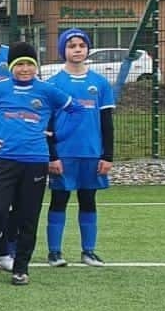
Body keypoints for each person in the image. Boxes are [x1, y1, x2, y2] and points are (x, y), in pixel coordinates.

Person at [0, 42, 79, 285]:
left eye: (29, 64)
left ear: (35, 67)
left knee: (28, 216)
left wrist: (57, 135)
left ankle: (21, 268)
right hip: (3, 160)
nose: (24, 69)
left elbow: (76, 111)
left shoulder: (47, 91)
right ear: (11, 67)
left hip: (35, 162)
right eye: (19, 64)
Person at [46, 28, 114, 268]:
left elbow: (107, 122)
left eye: (81, 46)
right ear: (63, 50)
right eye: (71, 45)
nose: (77, 50)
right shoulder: (54, 83)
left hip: (91, 153)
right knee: (59, 200)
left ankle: (89, 251)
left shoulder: (100, 83)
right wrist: (52, 155)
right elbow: (48, 123)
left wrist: (107, 155)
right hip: (64, 154)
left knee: (88, 200)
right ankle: (55, 252)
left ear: (87, 50)